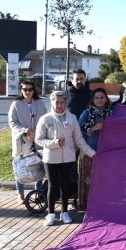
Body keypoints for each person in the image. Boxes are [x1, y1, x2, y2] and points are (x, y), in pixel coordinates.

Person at [36, 91, 96, 226]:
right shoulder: (45, 119)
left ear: (65, 103)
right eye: (56, 102)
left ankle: (64, 212)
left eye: (62, 102)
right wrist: (55, 143)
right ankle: (50, 213)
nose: (59, 105)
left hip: (68, 157)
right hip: (51, 157)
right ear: (52, 103)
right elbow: (39, 140)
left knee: (65, 185)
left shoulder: (72, 118)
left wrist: (91, 152)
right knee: (52, 185)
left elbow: (79, 139)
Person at [8, 80, 47, 204]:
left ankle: (38, 193)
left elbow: (46, 120)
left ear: (34, 90)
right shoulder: (16, 104)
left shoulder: (39, 103)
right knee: (20, 167)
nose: (28, 92)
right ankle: (20, 194)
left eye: (30, 89)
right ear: (21, 90)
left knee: (38, 166)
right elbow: (12, 122)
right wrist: (26, 130)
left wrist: (37, 132)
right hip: (22, 141)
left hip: (37, 141)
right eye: (25, 89)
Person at [78, 88, 114, 211]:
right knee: (89, 179)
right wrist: (92, 128)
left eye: (102, 97)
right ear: (92, 100)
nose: (99, 100)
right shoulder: (86, 113)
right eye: (96, 98)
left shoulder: (113, 112)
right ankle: (88, 205)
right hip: (90, 151)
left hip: (107, 152)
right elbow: (78, 132)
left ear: (106, 99)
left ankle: (104, 204)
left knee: (105, 179)